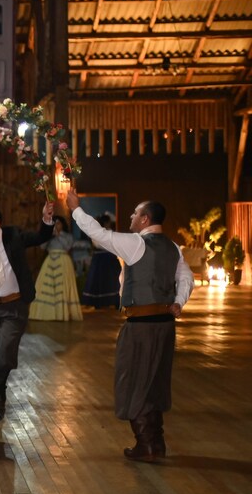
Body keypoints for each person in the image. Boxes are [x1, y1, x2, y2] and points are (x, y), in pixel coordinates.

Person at [67, 190, 193, 462]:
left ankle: (146, 445)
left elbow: (99, 234)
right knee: (155, 382)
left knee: (133, 380)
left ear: (145, 219)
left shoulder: (136, 244)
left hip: (141, 325)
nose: (131, 216)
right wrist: (178, 302)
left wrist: (75, 209)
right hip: (165, 325)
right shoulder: (173, 247)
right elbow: (186, 278)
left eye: (135, 213)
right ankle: (155, 444)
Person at [0, 203, 54, 412]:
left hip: (14, 306)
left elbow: (41, 237)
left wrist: (46, 219)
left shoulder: (14, 236)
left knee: (5, 352)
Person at [30, 215, 83, 321]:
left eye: (58, 223)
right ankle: (45, 314)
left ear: (62, 224)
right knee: (45, 285)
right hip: (50, 260)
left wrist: (58, 235)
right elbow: (42, 247)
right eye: (54, 223)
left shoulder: (68, 236)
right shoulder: (49, 235)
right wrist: (49, 235)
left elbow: (67, 246)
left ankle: (61, 314)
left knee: (62, 286)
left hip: (63, 260)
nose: (56, 225)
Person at [81, 214, 121, 309]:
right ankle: (98, 302)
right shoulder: (97, 232)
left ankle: (114, 301)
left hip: (108, 258)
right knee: (100, 279)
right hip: (101, 258)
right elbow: (98, 245)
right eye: (108, 222)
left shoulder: (109, 232)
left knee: (111, 279)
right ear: (105, 223)